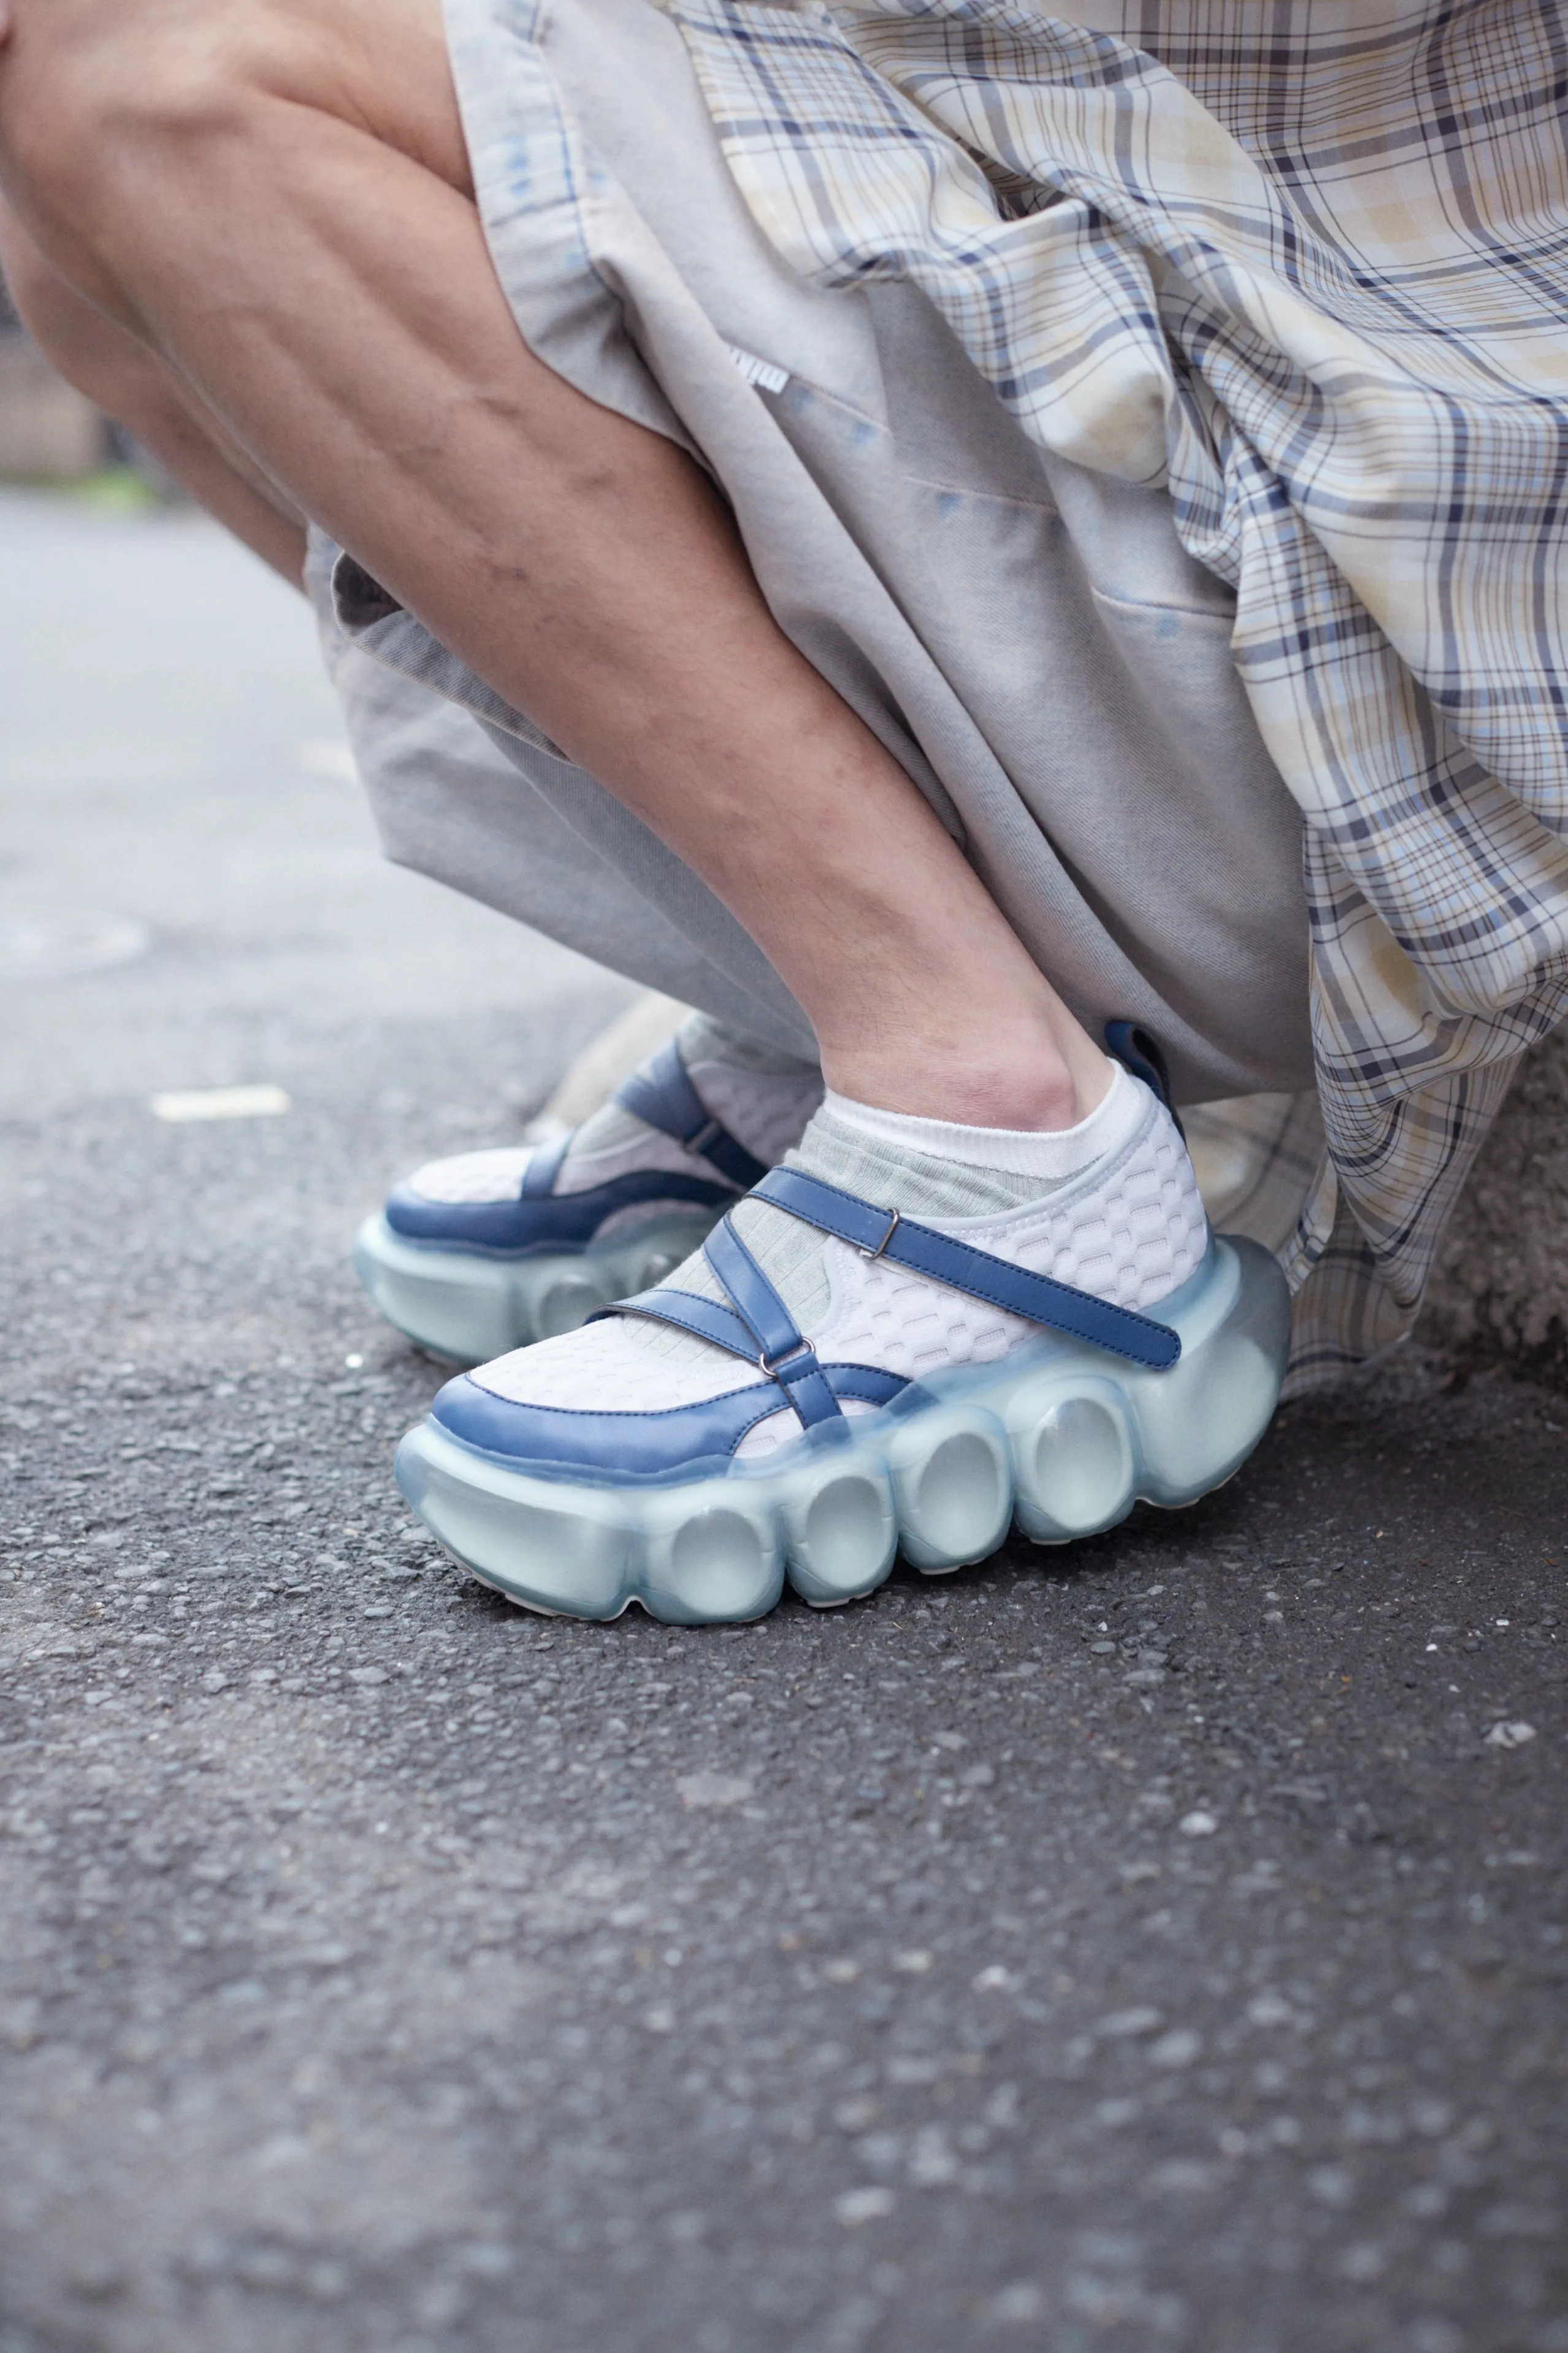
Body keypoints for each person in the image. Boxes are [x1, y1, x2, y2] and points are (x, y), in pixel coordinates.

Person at [1, 0, 1561, 1623]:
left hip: (1347, 604)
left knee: (149, 65)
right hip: (1145, 448)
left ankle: (991, 1108)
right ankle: (833, 997)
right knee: (58, 173)